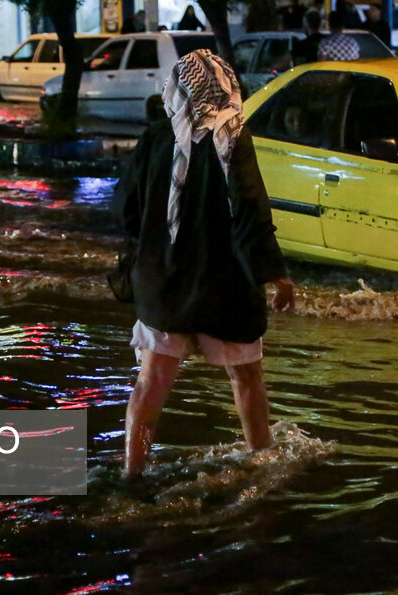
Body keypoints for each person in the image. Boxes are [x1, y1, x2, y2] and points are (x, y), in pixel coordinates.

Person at [111, 49, 295, 479]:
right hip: (223, 287)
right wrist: (275, 275)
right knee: (245, 377)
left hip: (166, 283)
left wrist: (153, 247)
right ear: (226, 85)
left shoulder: (156, 138)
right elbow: (250, 211)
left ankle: (131, 472)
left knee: (151, 381)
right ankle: (259, 460)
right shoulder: (233, 139)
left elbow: (126, 213)